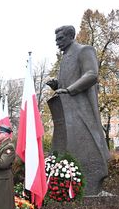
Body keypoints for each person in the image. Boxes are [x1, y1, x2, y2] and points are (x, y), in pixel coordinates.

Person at [46, 25, 110, 195]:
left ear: (70, 36)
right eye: (56, 39)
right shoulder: (65, 58)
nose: (57, 42)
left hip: (82, 110)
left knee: (87, 142)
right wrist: (57, 86)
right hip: (67, 111)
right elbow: (66, 84)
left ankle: (92, 180)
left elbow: (91, 74)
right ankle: (68, 185)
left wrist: (68, 90)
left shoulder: (84, 50)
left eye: (60, 38)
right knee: (70, 144)